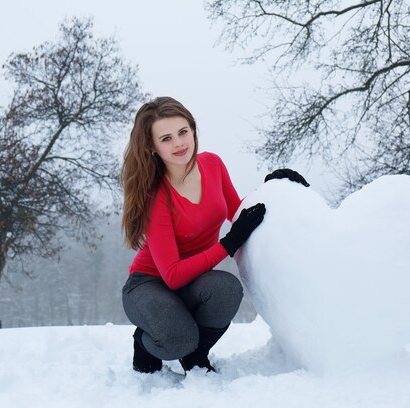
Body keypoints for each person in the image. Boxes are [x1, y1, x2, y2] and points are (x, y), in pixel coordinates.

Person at [120, 96, 308, 374]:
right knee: (176, 338)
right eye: (167, 138)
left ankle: (195, 355)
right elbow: (171, 274)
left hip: (193, 282)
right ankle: (145, 342)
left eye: (183, 132)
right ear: (152, 146)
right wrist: (229, 243)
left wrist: (275, 187)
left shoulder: (213, 165)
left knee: (227, 289)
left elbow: (239, 212)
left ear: (193, 130)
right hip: (150, 284)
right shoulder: (155, 195)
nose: (179, 143)